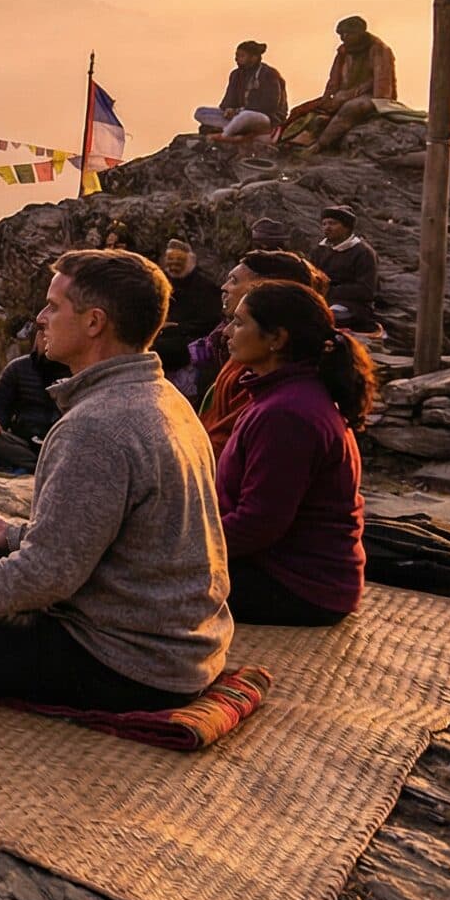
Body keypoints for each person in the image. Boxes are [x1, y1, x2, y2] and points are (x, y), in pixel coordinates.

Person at [0, 250, 231, 712]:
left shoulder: (96, 427)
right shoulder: (164, 397)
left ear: (94, 322)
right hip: (183, 643)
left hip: (129, 663)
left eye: (53, 306)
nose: (40, 317)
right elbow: (113, 533)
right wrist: (13, 535)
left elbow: (43, 578)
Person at [216, 283, 375, 626]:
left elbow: (259, 524)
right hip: (285, 571)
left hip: (298, 586)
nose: (227, 331)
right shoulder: (283, 397)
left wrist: (182, 548)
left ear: (277, 339)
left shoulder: (288, 414)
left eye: (240, 323)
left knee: (133, 585)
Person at [193, 250, 331, 453]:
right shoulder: (250, 354)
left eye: (234, 280)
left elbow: (229, 444)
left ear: (264, 288)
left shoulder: (280, 403)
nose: (224, 287)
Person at [280, 16, 398, 153]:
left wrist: (351, 95)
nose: (344, 37)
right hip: (343, 94)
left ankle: (319, 145)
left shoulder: (378, 49)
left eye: (348, 34)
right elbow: (333, 80)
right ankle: (292, 141)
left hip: (370, 97)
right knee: (304, 110)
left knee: (350, 108)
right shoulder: (343, 51)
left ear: (360, 33)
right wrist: (327, 98)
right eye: (341, 34)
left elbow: (382, 82)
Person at [0, 332, 69, 472]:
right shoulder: (18, 368)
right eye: (43, 336)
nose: (47, 341)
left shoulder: (76, 371)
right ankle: (40, 466)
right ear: (37, 340)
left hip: (60, 441)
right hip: (24, 441)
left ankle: (47, 464)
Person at [151, 241, 225, 395]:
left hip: (189, 347)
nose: (174, 265)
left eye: (179, 260)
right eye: (171, 260)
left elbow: (210, 321)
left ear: (189, 261)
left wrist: (178, 327)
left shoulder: (205, 288)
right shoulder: (163, 283)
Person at [194, 40, 290, 145]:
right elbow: (227, 102)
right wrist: (228, 110)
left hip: (265, 119)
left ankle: (224, 136)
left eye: (241, 56)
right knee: (201, 112)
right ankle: (237, 130)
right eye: (236, 55)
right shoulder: (236, 75)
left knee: (246, 115)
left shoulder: (269, 74)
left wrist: (239, 111)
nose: (236, 59)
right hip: (238, 117)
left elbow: (270, 106)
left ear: (254, 58)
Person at [313, 207, 381, 333]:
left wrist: (328, 290)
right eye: (324, 224)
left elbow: (366, 290)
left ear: (347, 227)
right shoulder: (319, 250)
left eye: (333, 223)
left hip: (352, 306)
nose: (327, 227)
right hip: (322, 300)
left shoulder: (363, 253)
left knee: (323, 318)